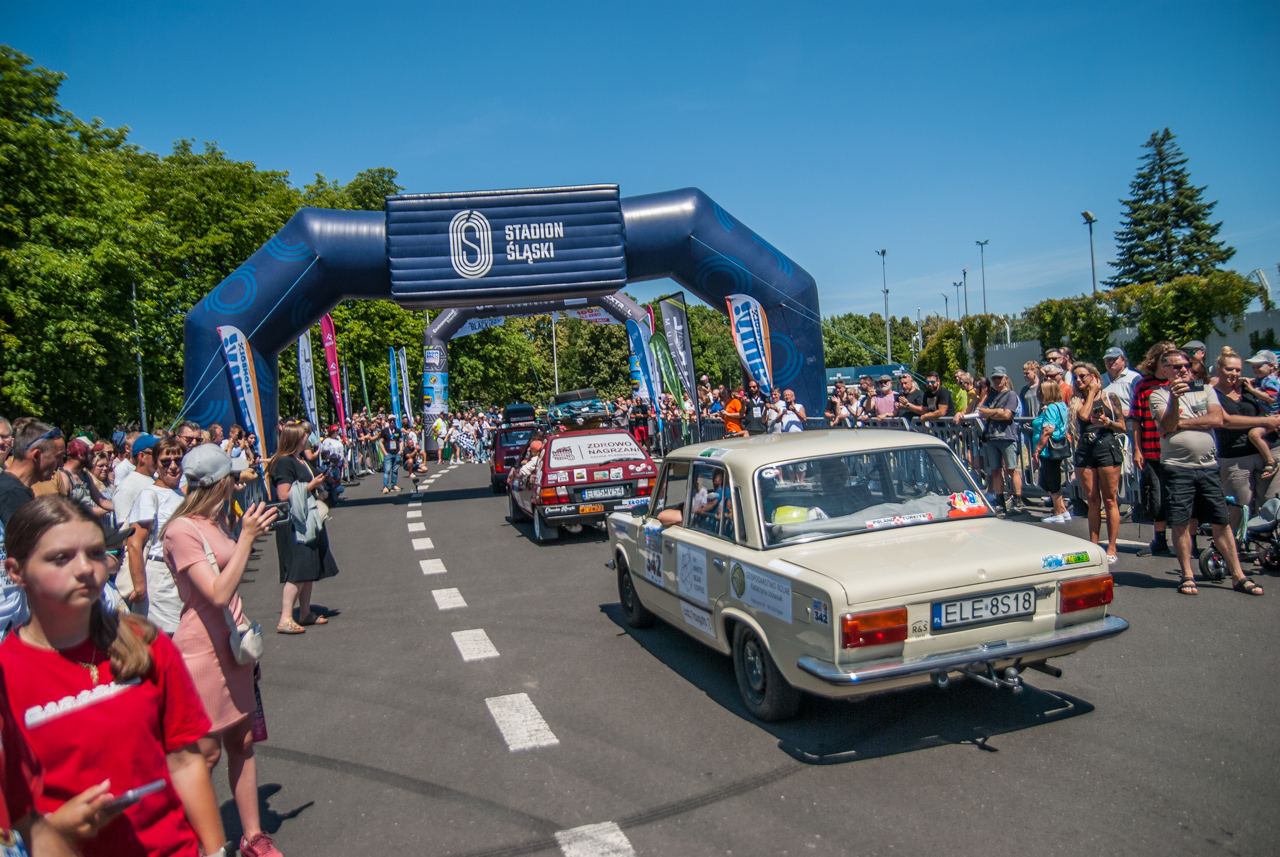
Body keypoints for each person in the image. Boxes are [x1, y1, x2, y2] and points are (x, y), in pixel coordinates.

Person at [0, 496, 228, 856]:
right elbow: (11, 825)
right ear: (15, 571)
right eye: (60, 558)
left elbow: (185, 760)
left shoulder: (144, 643)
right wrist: (56, 829)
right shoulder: (6, 674)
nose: (85, 569)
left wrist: (216, 851)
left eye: (95, 553)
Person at [162, 445, 283, 857]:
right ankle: (191, 841)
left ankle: (253, 836)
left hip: (234, 645)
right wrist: (246, 537)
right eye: (233, 477)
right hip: (200, 650)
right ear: (220, 483)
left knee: (243, 741)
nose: (239, 482)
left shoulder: (216, 521)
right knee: (205, 753)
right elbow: (216, 593)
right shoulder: (181, 530)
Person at [1149, 350, 1263, 596]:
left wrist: (1181, 424)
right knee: (1181, 522)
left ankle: (1238, 576)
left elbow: (1216, 419)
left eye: (1186, 365)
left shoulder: (1204, 388)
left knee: (1221, 521)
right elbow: (1167, 424)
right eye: (1176, 367)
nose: (1183, 370)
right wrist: (1175, 401)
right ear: (1165, 370)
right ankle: (1187, 575)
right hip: (1177, 468)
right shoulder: (1159, 394)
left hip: (1208, 466)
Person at [267, 424, 340, 634]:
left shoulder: (301, 460)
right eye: (303, 437)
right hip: (295, 524)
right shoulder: (284, 462)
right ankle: (286, 617)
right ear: (293, 439)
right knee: (297, 570)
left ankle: (305, 612)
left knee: (308, 568)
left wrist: (320, 487)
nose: (307, 439)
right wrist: (311, 486)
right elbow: (283, 494)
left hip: (308, 520)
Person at [1211, 347, 1280, 531]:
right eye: (1229, 369)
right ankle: (1235, 545)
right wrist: (1265, 421)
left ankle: (1264, 547)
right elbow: (1226, 421)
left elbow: (1274, 399)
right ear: (1218, 369)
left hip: (1268, 450)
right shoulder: (1211, 393)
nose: (1234, 374)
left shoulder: (1251, 386)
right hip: (1235, 457)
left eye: (1238, 370)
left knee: (1270, 506)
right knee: (1239, 508)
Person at [124, 438, 188, 634]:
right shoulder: (150, 494)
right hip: (160, 574)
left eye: (178, 460)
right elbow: (135, 543)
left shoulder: (181, 494)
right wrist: (140, 587)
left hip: (182, 572)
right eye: (166, 462)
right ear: (156, 465)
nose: (173, 466)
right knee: (165, 635)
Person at [1071, 363, 1125, 563]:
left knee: (1110, 500)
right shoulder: (1077, 400)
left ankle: (1111, 546)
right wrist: (1091, 393)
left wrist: (1107, 422)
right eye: (1076, 377)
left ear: (1093, 376)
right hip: (1086, 449)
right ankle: (1093, 544)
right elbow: (1084, 415)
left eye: (1083, 376)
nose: (1079, 380)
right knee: (1093, 500)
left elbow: (1122, 426)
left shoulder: (1110, 397)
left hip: (1106, 446)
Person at [1131, 341, 1178, 557]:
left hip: (1177, 450)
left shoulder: (1179, 384)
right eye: (1165, 359)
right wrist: (1137, 449)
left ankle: (1190, 541)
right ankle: (1160, 540)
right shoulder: (1143, 385)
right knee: (1156, 497)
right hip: (1152, 448)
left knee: (1179, 496)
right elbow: (1136, 420)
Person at [0, 421, 65, 530]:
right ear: (36, 456)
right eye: (58, 457)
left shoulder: (12, 488)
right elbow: (26, 540)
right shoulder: (13, 495)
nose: (61, 464)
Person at [976, 367, 1023, 514]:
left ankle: (1018, 500)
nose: (996, 381)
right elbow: (981, 410)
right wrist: (997, 411)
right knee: (995, 470)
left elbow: (1007, 415)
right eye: (994, 378)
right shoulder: (991, 395)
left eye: (999, 378)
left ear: (1005, 378)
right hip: (992, 436)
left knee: (1011, 469)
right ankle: (1000, 501)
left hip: (1007, 436)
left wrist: (991, 413)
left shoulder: (1011, 395)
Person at [1032, 381, 1071, 523]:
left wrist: (1037, 449)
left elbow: (1048, 430)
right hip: (1053, 449)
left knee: (1050, 481)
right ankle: (1062, 510)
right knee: (1046, 480)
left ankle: (1057, 513)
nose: (1039, 394)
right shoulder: (1061, 406)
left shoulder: (1052, 408)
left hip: (1048, 450)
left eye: (1041, 391)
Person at [1101, 347, 1142, 416]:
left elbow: (1143, 401)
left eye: (1114, 359)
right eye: (1108, 359)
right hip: (1106, 420)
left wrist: (1131, 411)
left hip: (1128, 419)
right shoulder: (1100, 379)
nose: (1111, 362)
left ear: (1123, 361)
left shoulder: (1134, 378)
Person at [377, 419, 402, 494]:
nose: (392, 422)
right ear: (388, 422)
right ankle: (385, 486)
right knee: (387, 470)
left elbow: (401, 441)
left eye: (393, 420)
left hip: (396, 453)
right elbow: (380, 442)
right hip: (388, 453)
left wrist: (400, 450)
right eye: (390, 421)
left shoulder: (397, 431)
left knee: (395, 470)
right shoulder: (384, 431)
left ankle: (394, 485)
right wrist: (384, 452)